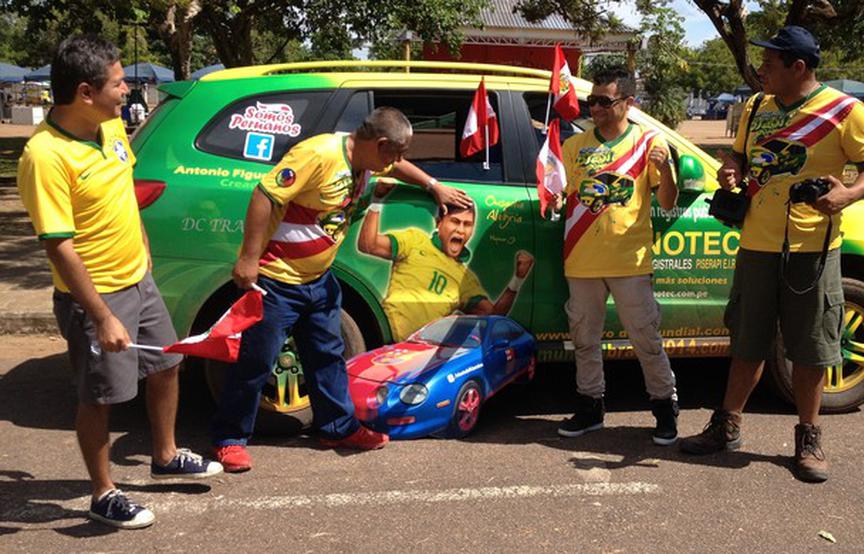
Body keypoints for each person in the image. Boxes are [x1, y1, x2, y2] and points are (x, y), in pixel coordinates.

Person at [16, 35, 222, 530]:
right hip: (96, 296)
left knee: (168, 365)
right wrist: (102, 315)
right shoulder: (44, 156)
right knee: (101, 397)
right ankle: (103, 491)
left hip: (138, 278)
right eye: (118, 82)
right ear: (86, 92)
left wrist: (146, 250)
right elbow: (58, 245)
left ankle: (166, 454)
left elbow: (123, 194)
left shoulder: (109, 130)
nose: (126, 89)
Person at [211, 107, 472, 472]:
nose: (398, 161)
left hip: (318, 280)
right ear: (379, 144)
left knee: (328, 357)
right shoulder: (318, 155)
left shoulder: (368, 159)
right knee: (256, 361)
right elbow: (265, 196)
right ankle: (230, 438)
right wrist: (249, 257)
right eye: (396, 152)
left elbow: (396, 168)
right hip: (279, 279)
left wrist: (432, 185)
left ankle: (337, 427)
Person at [679, 26, 864, 483]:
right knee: (747, 341)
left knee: (811, 348)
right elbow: (737, 157)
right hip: (756, 243)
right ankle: (726, 426)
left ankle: (809, 438)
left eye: (771, 63)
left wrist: (848, 194)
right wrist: (732, 170)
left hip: (812, 248)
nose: (762, 69)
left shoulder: (843, 111)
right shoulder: (756, 107)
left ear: (798, 67)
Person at [547, 69, 680, 443]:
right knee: (585, 340)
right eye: (593, 101)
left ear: (629, 104)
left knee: (645, 340)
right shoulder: (574, 147)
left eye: (605, 101)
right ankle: (590, 407)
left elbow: (667, 202)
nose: (597, 108)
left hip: (629, 262)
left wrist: (665, 167)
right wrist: (554, 195)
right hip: (582, 259)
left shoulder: (648, 142)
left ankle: (664, 408)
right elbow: (562, 194)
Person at [357, 179, 535, 342]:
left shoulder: (466, 277)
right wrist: (377, 200)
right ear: (438, 223)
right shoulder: (415, 240)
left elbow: (493, 315)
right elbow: (369, 245)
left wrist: (517, 279)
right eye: (455, 221)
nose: (460, 230)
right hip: (386, 338)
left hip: (417, 352)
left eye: (467, 225)